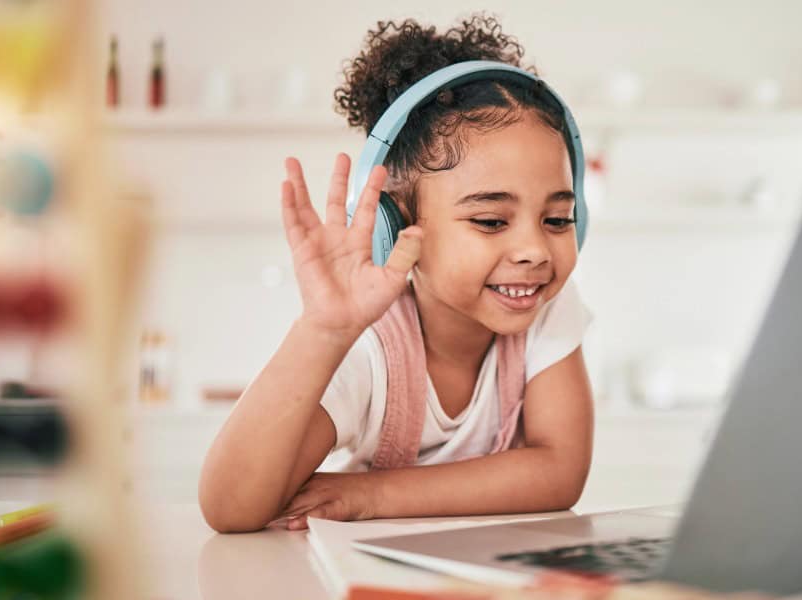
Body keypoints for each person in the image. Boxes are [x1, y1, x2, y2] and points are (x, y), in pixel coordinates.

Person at [199, 14, 594, 535]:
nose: (534, 250)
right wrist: (323, 330)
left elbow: (559, 472)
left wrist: (371, 495)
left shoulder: (547, 310)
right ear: (398, 226)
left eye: (557, 220)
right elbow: (230, 507)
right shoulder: (372, 348)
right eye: (491, 221)